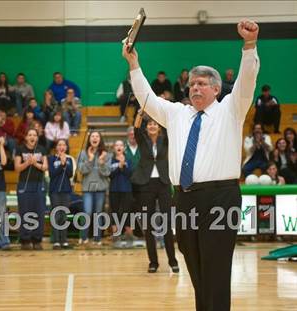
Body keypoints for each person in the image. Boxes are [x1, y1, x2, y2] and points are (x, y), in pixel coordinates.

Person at [123, 19, 260, 311]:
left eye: (201, 84)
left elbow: (247, 82)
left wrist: (249, 46)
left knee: (216, 267)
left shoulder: (231, 109)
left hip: (220, 197)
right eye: (191, 84)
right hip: (184, 198)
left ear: (216, 89)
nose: (194, 88)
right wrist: (134, 63)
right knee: (194, 263)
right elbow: (146, 98)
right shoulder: (177, 114)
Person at [131, 116, 179, 273]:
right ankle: (153, 262)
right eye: (150, 124)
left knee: (166, 224)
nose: (152, 126)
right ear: (146, 128)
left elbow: (169, 126)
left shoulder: (165, 140)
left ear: (159, 127)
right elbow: (136, 128)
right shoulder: (142, 140)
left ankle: (173, 261)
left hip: (163, 184)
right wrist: (140, 114)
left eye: (155, 124)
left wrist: (160, 111)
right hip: (146, 185)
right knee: (149, 225)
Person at [14, 128, 48, 250]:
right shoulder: (20, 149)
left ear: (37, 138)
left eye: (34, 135)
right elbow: (17, 168)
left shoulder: (42, 149)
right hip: (24, 184)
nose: (32, 136)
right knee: (25, 212)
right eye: (30, 134)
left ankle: (37, 239)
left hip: (39, 184)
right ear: (26, 137)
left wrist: (35, 164)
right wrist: (28, 163)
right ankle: (25, 239)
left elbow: (45, 167)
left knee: (38, 212)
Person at [77, 131, 111, 245]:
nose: (95, 138)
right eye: (93, 136)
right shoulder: (82, 154)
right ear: (89, 139)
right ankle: (84, 237)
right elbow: (82, 170)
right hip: (87, 189)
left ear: (100, 139)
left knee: (98, 214)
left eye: (97, 136)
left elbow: (107, 173)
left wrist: (101, 163)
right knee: (87, 213)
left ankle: (97, 239)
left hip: (100, 189)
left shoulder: (106, 154)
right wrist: (90, 160)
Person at [48, 139, 74, 249]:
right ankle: (56, 240)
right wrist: (61, 165)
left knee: (64, 216)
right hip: (54, 191)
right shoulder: (51, 159)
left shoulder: (69, 159)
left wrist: (65, 164)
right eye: (59, 144)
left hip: (66, 191)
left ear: (66, 147)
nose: (61, 146)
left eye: (64, 144)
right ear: (56, 147)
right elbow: (52, 174)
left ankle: (64, 240)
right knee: (56, 215)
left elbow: (70, 174)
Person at [109, 140, 134, 248]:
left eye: (121, 145)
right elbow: (110, 175)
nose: (119, 147)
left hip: (127, 189)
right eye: (117, 145)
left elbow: (130, 174)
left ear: (124, 148)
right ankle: (116, 235)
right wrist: (119, 166)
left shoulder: (129, 159)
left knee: (127, 211)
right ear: (114, 148)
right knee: (115, 211)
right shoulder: (110, 160)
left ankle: (129, 234)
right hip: (114, 189)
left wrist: (123, 165)